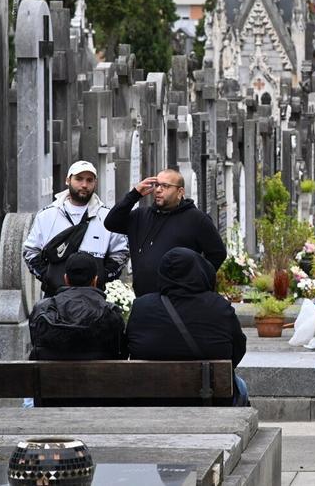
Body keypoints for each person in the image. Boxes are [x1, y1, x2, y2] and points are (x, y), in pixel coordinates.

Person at [126, 247, 248, 404]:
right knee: (240, 385)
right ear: (201, 271)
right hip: (208, 401)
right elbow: (238, 349)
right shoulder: (219, 307)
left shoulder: (142, 306)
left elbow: (129, 347)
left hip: (150, 402)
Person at [105, 168, 226, 296]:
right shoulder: (141, 215)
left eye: (165, 186)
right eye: (157, 185)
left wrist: (196, 282)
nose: (158, 190)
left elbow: (217, 253)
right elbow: (111, 223)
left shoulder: (196, 219)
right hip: (144, 299)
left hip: (179, 299)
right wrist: (134, 194)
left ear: (180, 192)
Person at [24, 161, 129, 297]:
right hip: (55, 296)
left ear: (95, 183)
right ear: (68, 180)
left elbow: (121, 253)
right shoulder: (47, 215)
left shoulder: (107, 216)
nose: (84, 185)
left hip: (94, 296)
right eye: (79, 179)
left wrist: (103, 276)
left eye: (89, 180)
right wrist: (48, 276)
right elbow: (30, 251)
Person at [29, 252, 126, 361]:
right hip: (101, 372)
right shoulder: (111, 312)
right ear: (95, 280)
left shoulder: (42, 309)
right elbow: (120, 352)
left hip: (47, 372)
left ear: (66, 279)